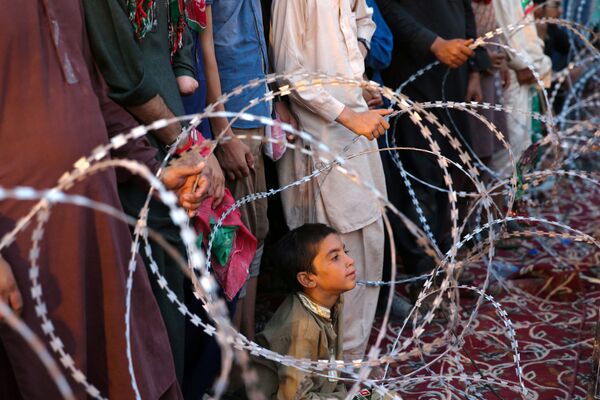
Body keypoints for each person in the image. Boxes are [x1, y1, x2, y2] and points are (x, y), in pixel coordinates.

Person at [0, 1, 209, 397]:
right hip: (25, 244)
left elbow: (95, 94)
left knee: (130, 366)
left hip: (98, 222)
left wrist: (153, 171)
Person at [82, 0, 226, 385]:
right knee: (150, 321)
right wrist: (185, 142)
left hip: (167, 156)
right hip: (133, 168)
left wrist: (186, 143)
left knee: (172, 310)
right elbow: (121, 78)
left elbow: (169, 54)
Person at [271, 0, 390, 362]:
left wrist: (357, 81)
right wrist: (348, 115)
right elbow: (290, 72)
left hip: (356, 133)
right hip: (320, 143)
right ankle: (327, 363)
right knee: (329, 254)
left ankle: (350, 358)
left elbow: (363, 22)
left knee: (368, 241)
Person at [375, 0, 487, 280]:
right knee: (418, 176)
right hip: (412, 78)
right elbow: (386, 9)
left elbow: (465, 10)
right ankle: (422, 273)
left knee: (450, 172)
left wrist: (474, 67)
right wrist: (433, 43)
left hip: (454, 78)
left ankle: (446, 256)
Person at [251, 224, 355, 399]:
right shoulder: (302, 329)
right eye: (335, 257)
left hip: (325, 392)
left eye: (346, 252)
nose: (349, 260)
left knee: (382, 395)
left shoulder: (332, 300)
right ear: (307, 279)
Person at [490, 0, 552, 175]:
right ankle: (503, 198)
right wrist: (526, 65)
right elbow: (505, 32)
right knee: (509, 144)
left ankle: (519, 194)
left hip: (529, 69)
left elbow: (529, 30)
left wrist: (537, 65)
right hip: (513, 72)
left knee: (525, 141)